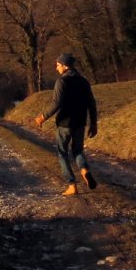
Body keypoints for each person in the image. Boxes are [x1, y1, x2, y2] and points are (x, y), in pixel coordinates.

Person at [34, 52, 98, 196]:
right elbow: (91, 103)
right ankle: (84, 170)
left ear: (64, 65)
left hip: (65, 123)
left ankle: (72, 185)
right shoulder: (83, 81)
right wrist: (93, 123)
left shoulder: (62, 81)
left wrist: (42, 117)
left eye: (58, 65)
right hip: (80, 122)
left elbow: (56, 103)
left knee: (62, 153)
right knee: (78, 151)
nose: (57, 68)